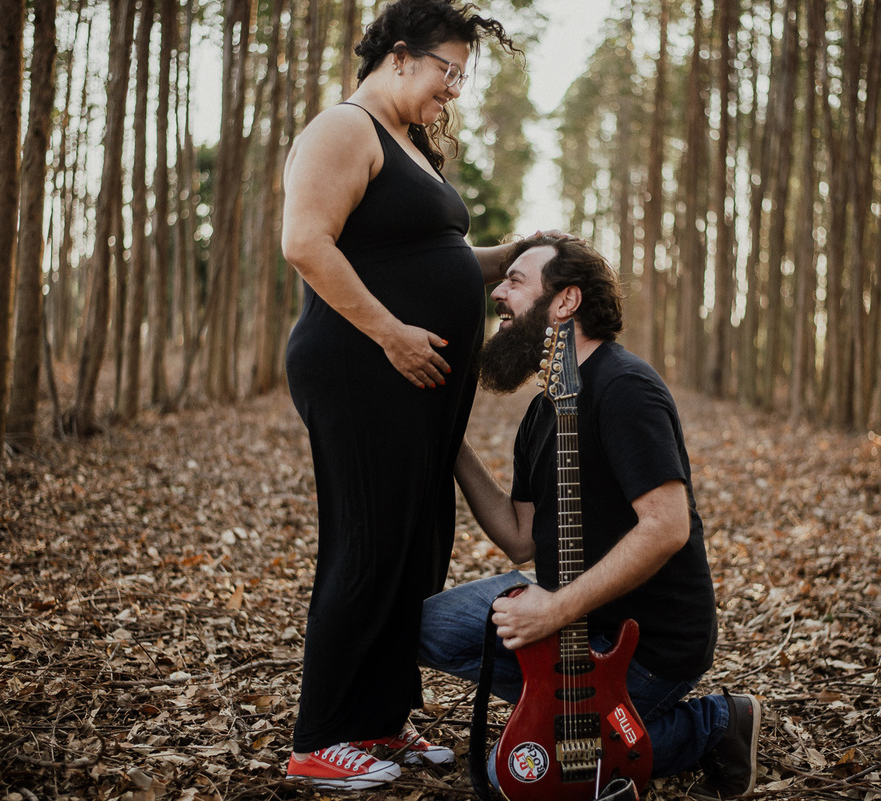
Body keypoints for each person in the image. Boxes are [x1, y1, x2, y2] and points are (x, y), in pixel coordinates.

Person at [418, 233, 763, 799]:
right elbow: (519, 537)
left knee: (550, 769)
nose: (498, 292)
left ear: (565, 301)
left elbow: (667, 525)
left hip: (648, 639)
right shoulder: (541, 410)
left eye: (516, 281)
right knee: (426, 629)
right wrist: (450, 442)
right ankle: (562, 708)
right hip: (571, 614)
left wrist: (554, 608)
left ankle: (716, 724)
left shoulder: (624, 387)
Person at [279, 0, 520, 789]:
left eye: (462, 76)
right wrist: (389, 331)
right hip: (360, 367)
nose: (454, 89)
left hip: (412, 377)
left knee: (417, 544)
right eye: (448, 70)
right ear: (402, 55)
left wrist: (513, 255)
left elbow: (438, 255)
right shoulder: (343, 128)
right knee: (369, 541)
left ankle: (378, 725)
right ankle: (321, 735)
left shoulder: (411, 145)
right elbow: (305, 240)